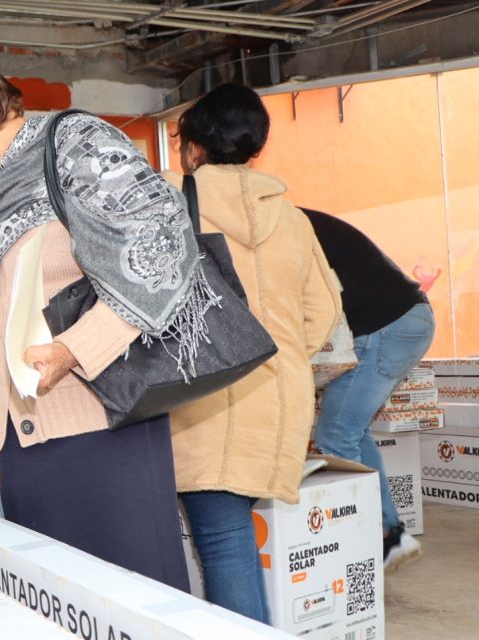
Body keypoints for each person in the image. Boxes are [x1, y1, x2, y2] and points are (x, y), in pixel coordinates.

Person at [0, 50, 192, 590]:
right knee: (55, 608)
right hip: (26, 451)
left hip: (103, 433)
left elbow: (163, 247)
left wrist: (76, 349)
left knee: (131, 603)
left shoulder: (77, 147)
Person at [166, 83, 341, 622]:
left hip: (205, 399)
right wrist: (275, 356)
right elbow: (324, 311)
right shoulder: (292, 217)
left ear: (194, 147)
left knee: (221, 542)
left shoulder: (171, 201)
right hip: (279, 396)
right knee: (229, 534)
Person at [306, 209, 433, 571]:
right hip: (404, 319)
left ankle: (380, 537)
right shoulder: (296, 221)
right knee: (351, 431)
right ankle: (390, 533)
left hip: (386, 326)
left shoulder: (280, 230)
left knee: (335, 436)